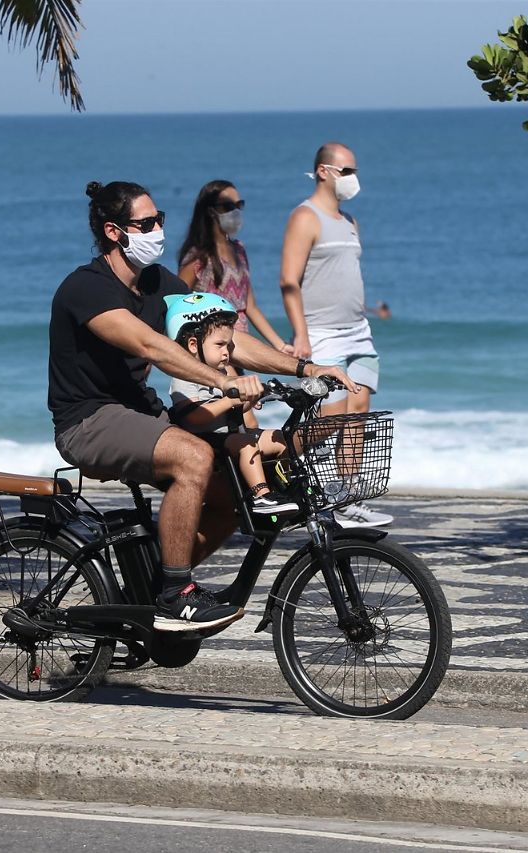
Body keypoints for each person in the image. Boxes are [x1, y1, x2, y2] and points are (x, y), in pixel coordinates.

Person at [48, 180, 358, 632]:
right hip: (89, 421)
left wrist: (305, 370)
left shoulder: (158, 284)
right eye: (146, 223)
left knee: (235, 493)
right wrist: (221, 383)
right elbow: (149, 345)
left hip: (142, 416)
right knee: (194, 456)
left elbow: (226, 336)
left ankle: (155, 582)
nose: (158, 230)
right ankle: (176, 593)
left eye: (161, 220)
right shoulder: (86, 288)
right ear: (114, 232)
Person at [279, 142, 394, 529]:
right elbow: (289, 281)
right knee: (329, 418)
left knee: (358, 410)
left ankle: (346, 497)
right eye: (347, 171)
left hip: (358, 332)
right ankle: (280, 466)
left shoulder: (350, 221)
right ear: (324, 171)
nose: (353, 179)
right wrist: (301, 335)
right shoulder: (305, 217)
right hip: (322, 332)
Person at [164, 292, 296, 515]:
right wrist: (230, 400)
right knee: (245, 443)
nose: (227, 352)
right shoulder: (184, 377)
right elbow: (194, 417)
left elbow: (235, 410)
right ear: (194, 344)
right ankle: (261, 496)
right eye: (220, 345)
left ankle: (284, 487)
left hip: (232, 434)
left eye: (229, 345)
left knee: (280, 439)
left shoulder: (223, 373)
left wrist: (248, 401)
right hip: (206, 440)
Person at [178, 180, 291, 352]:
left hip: (240, 348)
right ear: (210, 211)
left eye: (239, 205)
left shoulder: (239, 250)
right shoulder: (198, 257)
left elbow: (250, 307)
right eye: (228, 206)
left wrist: (280, 346)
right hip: (213, 352)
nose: (235, 211)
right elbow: (178, 306)